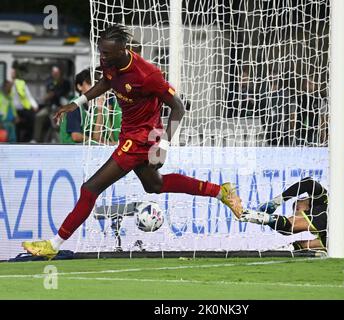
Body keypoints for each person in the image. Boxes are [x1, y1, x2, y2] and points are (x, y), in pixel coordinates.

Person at [22, 24, 243, 259]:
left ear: (122, 50)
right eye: (101, 51)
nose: (102, 57)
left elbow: (178, 107)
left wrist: (164, 145)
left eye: (106, 53)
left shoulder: (147, 75)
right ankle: (221, 191)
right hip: (129, 133)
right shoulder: (110, 62)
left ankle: (52, 246)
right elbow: (107, 82)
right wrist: (76, 103)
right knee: (154, 185)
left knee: (90, 188)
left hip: (142, 138)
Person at [240, 177, 344, 255]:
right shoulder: (327, 231)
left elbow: (308, 183)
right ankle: (260, 218)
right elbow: (308, 245)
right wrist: (290, 247)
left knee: (289, 227)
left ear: (305, 201)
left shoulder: (322, 201)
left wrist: (277, 201)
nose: (296, 214)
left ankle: (252, 216)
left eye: (296, 208)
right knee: (324, 245)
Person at [59, 68, 120, 144]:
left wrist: (100, 110)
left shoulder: (95, 107)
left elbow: (96, 137)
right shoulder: (74, 106)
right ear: (79, 86)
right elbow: (76, 136)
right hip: (69, 149)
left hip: (84, 149)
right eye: (90, 84)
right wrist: (98, 142)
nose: (93, 88)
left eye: (96, 85)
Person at [33, 65, 71, 142]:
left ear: (60, 73)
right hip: (49, 107)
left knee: (56, 124)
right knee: (38, 116)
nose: (55, 74)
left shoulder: (66, 83)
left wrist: (53, 94)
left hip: (60, 107)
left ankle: (60, 141)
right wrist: (48, 96)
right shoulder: (49, 81)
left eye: (57, 72)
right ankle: (36, 139)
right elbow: (46, 95)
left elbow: (62, 93)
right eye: (53, 72)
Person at [10, 67, 38, 142]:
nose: (11, 74)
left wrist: (34, 105)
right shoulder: (6, 85)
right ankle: (17, 141)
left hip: (22, 108)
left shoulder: (20, 83)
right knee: (16, 124)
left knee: (32, 119)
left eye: (13, 72)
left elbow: (28, 95)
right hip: (12, 110)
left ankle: (29, 139)